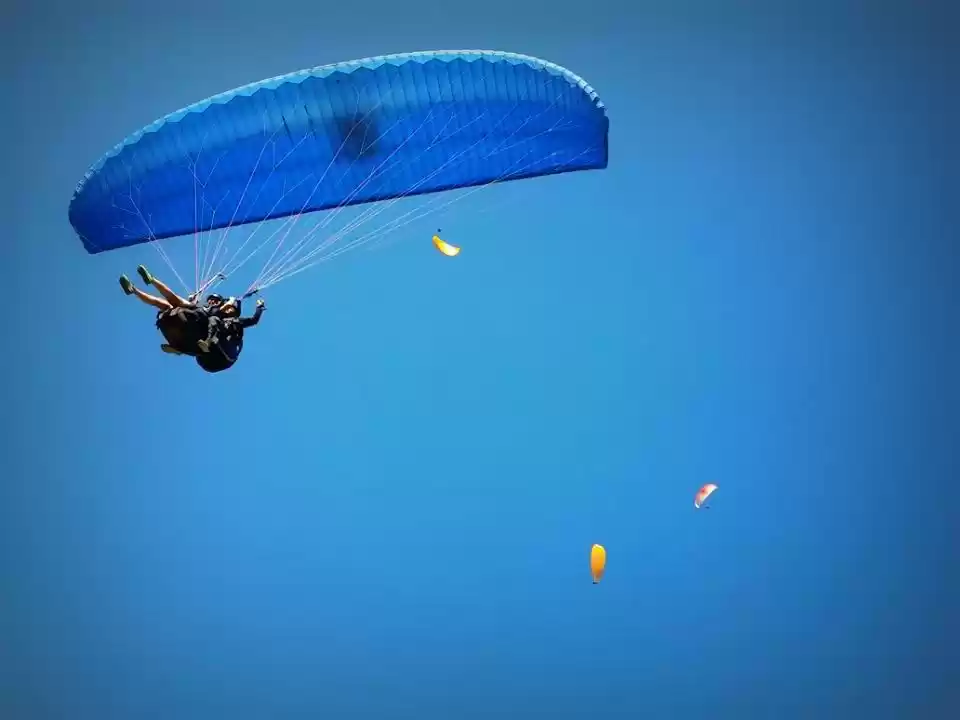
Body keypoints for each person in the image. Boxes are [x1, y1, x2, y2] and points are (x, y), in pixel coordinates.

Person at [119, 264, 216, 356]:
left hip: (196, 325)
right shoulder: (204, 304)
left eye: (215, 300)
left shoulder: (216, 310)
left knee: (174, 301)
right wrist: (192, 300)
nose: (212, 301)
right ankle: (134, 289)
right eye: (211, 299)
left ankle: (150, 281)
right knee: (164, 304)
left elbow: (215, 317)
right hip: (188, 317)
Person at [195, 296, 266, 373]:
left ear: (235, 311)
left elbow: (253, 320)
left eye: (231, 308)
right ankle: (183, 344)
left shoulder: (236, 321)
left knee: (213, 319)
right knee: (204, 323)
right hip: (206, 360)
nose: (228, 309)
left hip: (225, 357)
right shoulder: (218, 318)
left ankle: (207, 343)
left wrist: (259, 307)